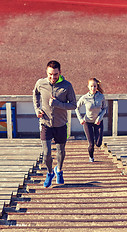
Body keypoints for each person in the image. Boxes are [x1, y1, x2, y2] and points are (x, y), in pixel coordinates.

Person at [33, 60, 77, 188]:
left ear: (60, 72)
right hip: (45, 123)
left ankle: (59, 170)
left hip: (61, 124)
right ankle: (50, 172)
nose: (52, 77)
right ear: (46, 72)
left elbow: (73, 105)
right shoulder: (40, 83)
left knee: (60, 151)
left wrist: (58, 104)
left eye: (55, 74)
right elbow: (35, 94)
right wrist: (37, 109)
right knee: (46, 153)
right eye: (50, 74)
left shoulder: (67, 86)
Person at [75, 78, 107, 162]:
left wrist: (99, 118)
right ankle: (91, 157)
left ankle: (98, 143)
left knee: (99, 143)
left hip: (98, 121)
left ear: (97, 86)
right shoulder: (84, 98)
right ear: (88, 87)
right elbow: (76, 108)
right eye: (91, 86)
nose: (93, 88)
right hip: (88, 122)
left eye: (95, 86)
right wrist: (80, 119)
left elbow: (104, 109)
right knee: (91, 143)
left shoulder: (101, 96)